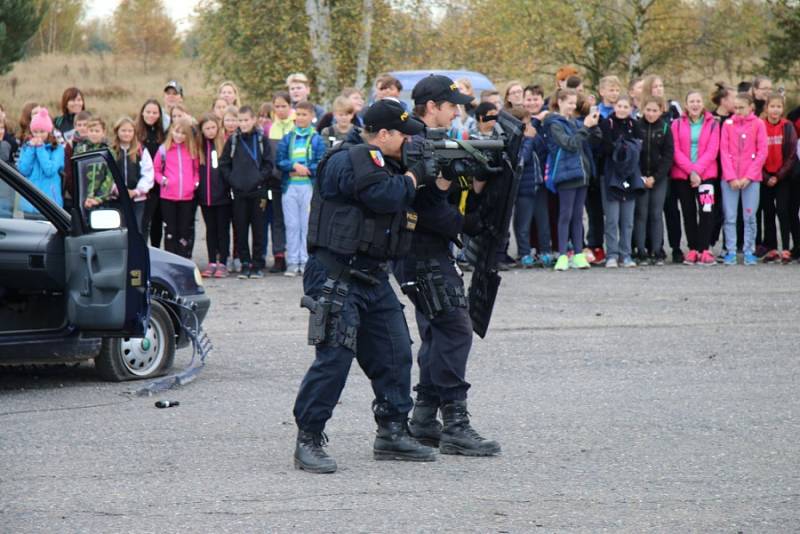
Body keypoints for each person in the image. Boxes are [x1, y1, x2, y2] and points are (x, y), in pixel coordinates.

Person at [293, 99, 432, 473]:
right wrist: (414, 177)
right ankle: (308, 437)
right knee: (335, 356)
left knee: (395, 351)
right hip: (336, 274)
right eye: (403, 136)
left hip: (372, 275)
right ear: (383, 134)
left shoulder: (386, 163)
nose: (408, 144)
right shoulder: (351, 157)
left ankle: (392, 432)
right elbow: (383, 194)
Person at [396, 74, 501, 457]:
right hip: (421, 251)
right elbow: (425, 210)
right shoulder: (417, 145)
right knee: (456, 329)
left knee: (439, 333)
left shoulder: (430, 143)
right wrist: (467, 223)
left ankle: (425, 416)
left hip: (426, 251)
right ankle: (455, 422)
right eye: (451, 104)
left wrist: (472, 185)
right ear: (433, 106)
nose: (457, 111)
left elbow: (443, 197)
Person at [543, 88, 601, 271]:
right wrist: (585, 127)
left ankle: (577, 254)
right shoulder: (554, 124)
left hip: (581, 174)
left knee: (578, 216)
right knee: (565, 215)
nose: (572, 106)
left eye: (574, 103)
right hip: (565, 174)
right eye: (569, 102)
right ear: (559, 102)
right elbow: (569, 144)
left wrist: (592, 125)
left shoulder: (575, 122)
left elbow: (590, 141)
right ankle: (562, 255)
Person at [219, 105, 273, 279]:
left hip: (258, 192)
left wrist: (259, 178)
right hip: (239, 193)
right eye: (240, 120)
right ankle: (244, 263)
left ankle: (257, 264)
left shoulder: (261, 140)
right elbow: (224, 163)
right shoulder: (233, 140)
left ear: (253, 120)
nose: (243, 124)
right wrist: (232, 180)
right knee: (240, 229)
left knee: (259, 230)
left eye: (246, 120)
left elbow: (268, 164)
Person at [670, 90, 720, 266]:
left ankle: (704, 249)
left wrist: (697, 171)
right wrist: (690, 171)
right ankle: (692, 249)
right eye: (692, 101)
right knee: (688, 212)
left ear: (703, 103)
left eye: (698, 101)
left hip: (706, 176)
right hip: (683, 176)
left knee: (707, 211)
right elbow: (675, 150)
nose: (695, 104)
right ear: (686, 104)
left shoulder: (713, 124)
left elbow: (712, 150)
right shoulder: (676, 124)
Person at [276, 101, 326, 277]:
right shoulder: (288, 138)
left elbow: (321, 162)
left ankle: (306, 261)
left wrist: (307, 170)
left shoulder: (317, 138)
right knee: (291, 224)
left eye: (304, 114)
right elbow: (280, 160)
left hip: (308, 187)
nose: (300, 118)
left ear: (312, 116)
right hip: (290, 187)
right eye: (298, 114)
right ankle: (292, 261)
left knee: (306, 224)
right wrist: (294, 165)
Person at [719, 93, 768, 265]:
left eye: (742, 108)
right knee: (730, 216)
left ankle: (749, 250)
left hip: (751, 179)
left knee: (749, 216)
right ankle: (731, 250)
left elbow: (762, 152)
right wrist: (731, 177)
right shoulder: (727, 124)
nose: (738, 111)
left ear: (750, 107)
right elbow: (723, 152)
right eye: (736, 107)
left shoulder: (758, 124)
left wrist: (749, 176)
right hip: (730, 179)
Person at [634, 95, 674, 265]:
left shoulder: (665, 128)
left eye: (654, 111)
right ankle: (641, 251)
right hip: (640, 178)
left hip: (658, 179)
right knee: (641, 214)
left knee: (656, 214)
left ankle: (657, 251)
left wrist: (655, 178)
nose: (651, 114)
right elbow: (632, 154)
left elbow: (668, 156)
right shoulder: (636, 127)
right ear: (643, 110)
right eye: (648, 110)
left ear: (661, 111)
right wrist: (641, 177)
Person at [759, 93, 797, 263]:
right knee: (768, 212)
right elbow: (756, 153)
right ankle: (772, 247)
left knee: (783, 211)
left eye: (778, 107)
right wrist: (766, 176)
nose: (775, 110)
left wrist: (779, 175)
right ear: (766, 108)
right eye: (772, 106)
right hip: (764, 176)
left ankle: (786, 248)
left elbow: (791, 155)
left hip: (782, 177)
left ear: (782, 109)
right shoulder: (760, 126)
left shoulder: (787, 126)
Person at [155, 117, 200, 259]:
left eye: (183, 133)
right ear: (171, 131)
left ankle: (183, 258)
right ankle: (170, 258)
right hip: (168, 197)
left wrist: (195, 183)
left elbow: (196, 170)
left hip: (187, 197)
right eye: (176, 132)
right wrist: (163, 180)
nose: (179, 136)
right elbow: (156, 170)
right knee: (170, 229)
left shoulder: (191, 150)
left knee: (184, 229)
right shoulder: (163, 150)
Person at [513, 107, 552, 267]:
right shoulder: (516, 140)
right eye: (526, 123)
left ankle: (545, 252)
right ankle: (524, 253)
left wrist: (534, 136)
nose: (529, 126)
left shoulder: (532, 136)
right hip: (524, 189)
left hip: (538, 185)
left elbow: (543, 150)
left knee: (543, 222)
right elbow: (524, 157)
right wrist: (528, 139)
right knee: (523, 223)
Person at [197, 113, 232, 278]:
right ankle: (212, 261)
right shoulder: (200, 147)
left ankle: (223, 261)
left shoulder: (223, 145)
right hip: (205, 197)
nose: (210, 131)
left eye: (213, 128)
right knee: (210, 230)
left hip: (223, 196)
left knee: (223, 230)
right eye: (207, 128)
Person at [266, 91, 295, 274]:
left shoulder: (295, 125)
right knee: (277, 219)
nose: (280, 109)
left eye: (284, 106)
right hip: (275, 179)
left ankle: (295, 255)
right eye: (277, 106)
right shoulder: (270, 128)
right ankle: (279, 255)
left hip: (293, 179)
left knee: (293, 220)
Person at [17, 109, 64, 219]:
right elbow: (23, 170)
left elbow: (50, 170)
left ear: (49, 131)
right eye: (35, 131)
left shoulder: (57, 149)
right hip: (29, 203)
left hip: (49, 203)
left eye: (42, 131)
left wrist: (40, 148)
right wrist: (31, 149)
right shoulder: (27, 147)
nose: (38, 135)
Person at [111, 116, 154, 232]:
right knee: (118, 230)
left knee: (136, 229)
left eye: (130, 131)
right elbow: (107, 174)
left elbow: (148, 173)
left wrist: (137, 191)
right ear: (117, 131)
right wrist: (116, 189)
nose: (127, 134)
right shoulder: (112, 150)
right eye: (123, 130)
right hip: (116, 199)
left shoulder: (141, 150)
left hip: (137, 199)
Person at [136, 99, 167, 248]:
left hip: (159, 184)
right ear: (142, 112)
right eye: (148, 112)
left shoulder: (163, 134)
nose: (151, 115)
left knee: (157, 222)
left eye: (155, 112)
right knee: (143, 223)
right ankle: (142, 252)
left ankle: (155, 251)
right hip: (143, 184)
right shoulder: (136, 133)